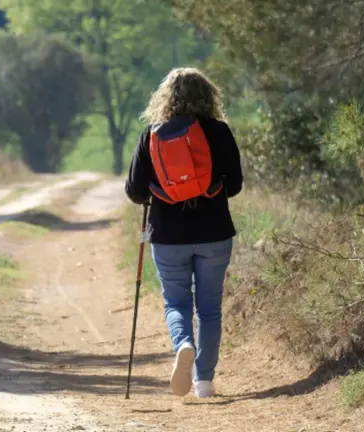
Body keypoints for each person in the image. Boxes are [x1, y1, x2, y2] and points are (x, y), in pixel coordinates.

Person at [125, 67, 243, 398]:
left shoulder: (152, 133)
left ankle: (183, 344)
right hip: (214, 233)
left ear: (165, 97)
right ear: (209, 96)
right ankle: (204, 382)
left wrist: (160, 188)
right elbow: (233, 186)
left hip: (167, 234)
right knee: (209, 308)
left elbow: (135, 192)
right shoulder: (219, 132)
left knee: (176, 301)